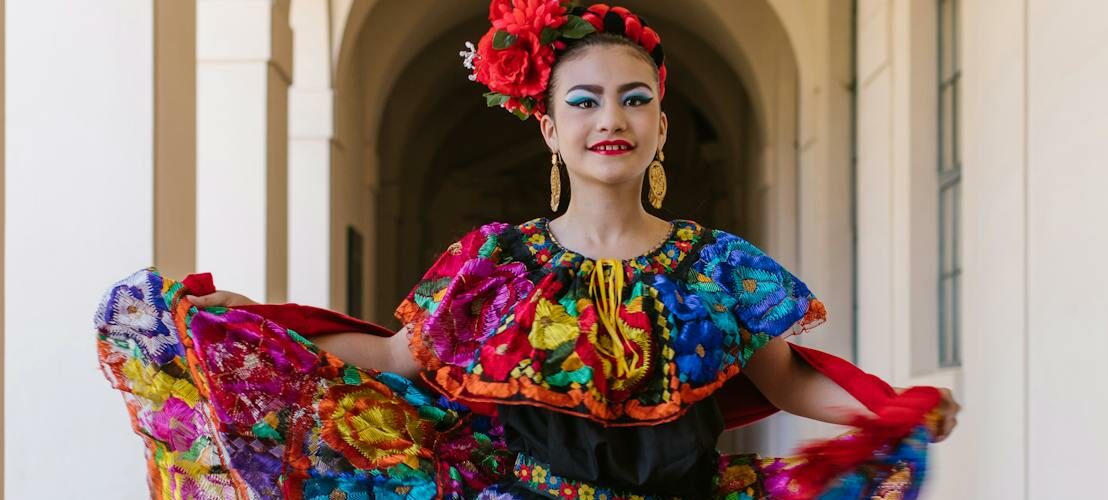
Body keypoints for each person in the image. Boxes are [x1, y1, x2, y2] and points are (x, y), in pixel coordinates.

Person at [94, 2, 958, 499]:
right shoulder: (496, 262)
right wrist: (257, 324)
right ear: (549, 126)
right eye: (584, 101)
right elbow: (401, 356)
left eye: (632, 100)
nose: (609, 119)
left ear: (659, 123)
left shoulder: (718, 266)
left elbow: (785, 377)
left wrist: (890, 411)